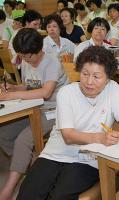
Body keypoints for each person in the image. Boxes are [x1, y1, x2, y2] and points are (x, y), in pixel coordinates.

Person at [16, 46, 119, 199]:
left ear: (107, 79)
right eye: (85, 74)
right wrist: (100, 138)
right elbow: (68, 136)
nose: (89, 82)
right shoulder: (67, 93)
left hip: (89, 158)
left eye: (96, 76)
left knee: (59, 196)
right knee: (28, 194)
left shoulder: (112, 89)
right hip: (56, 153)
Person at [0, 28, 69, 200]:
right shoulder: (26, 60)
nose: (24, 60)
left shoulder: (52, 62)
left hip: (55, 111)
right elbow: (30, 86)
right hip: (34, 108)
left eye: (27, 56)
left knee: (24, 139)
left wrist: (11, 95)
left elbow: (45, 92)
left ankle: (9, 188)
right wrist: (15, 88)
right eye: (22, 56)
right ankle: (29, 162)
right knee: (4, 132)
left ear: (39, 50)